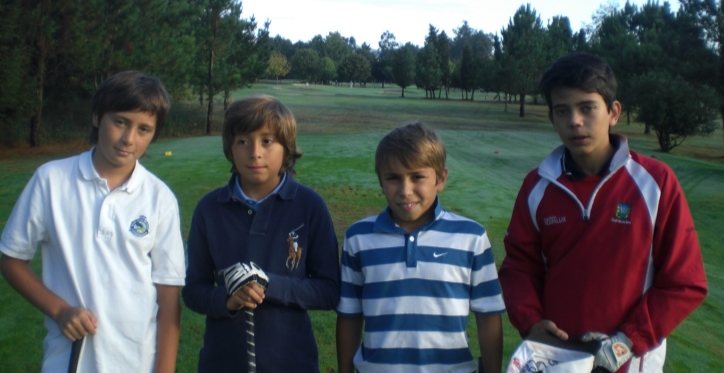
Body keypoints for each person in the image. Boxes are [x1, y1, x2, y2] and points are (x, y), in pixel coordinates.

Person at [498, 53, 708, 372]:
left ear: (613, 112)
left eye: (587, 108)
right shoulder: (538, 186)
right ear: (552, 118)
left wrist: (626, 342)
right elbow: (519, 267)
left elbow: (684, 282)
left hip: (631, 362)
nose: (575, 121)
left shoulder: (655, 182)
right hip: (557, 360)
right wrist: (531, 323)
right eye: (562, 111)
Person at [0, 70, 186, 372]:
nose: (129, 138)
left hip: (136, 362)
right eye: (120, 122)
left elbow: (168, 297)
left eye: (144, 129)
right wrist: (60, 311)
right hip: (67, 360)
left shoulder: (159, 199)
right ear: (97, 117)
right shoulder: (51, 180)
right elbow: (11, 259)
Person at [183, 94, 340, 372]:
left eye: (267, 141)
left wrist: (269, 284)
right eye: (243, 141)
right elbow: (194, 290)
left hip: (293, 363)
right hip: (222, 363)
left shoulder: (309, 206)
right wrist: (228, 300)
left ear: (286, 148)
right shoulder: (209, 209)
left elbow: (328, 291)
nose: (255, 152)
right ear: (230, 148)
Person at [336, 122, 505, 373]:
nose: (405, 191)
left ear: (441, 178)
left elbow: (488, 315)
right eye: (393, 178)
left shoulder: (471, 237)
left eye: (417, 177)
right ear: (381, 181)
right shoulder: (359, 238)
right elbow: (349, 315)